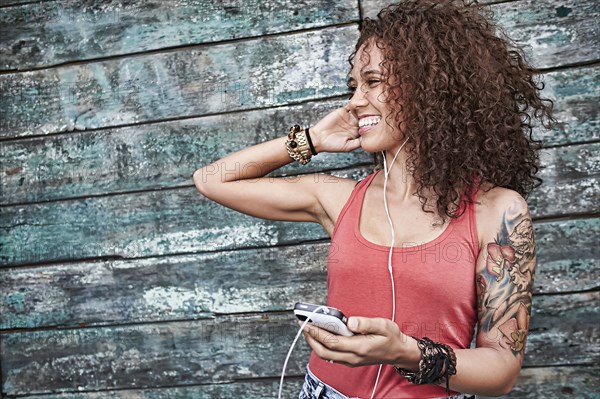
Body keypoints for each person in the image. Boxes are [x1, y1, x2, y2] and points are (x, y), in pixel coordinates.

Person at [193, 0, 556, 397]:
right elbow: (212, 180)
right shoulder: (338, 198)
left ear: (428, 85)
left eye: (373, 81)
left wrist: (405, 352)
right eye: (354, 86)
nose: (354, 101)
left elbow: (502, 367)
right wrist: (311, 140)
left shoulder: (498, 212)